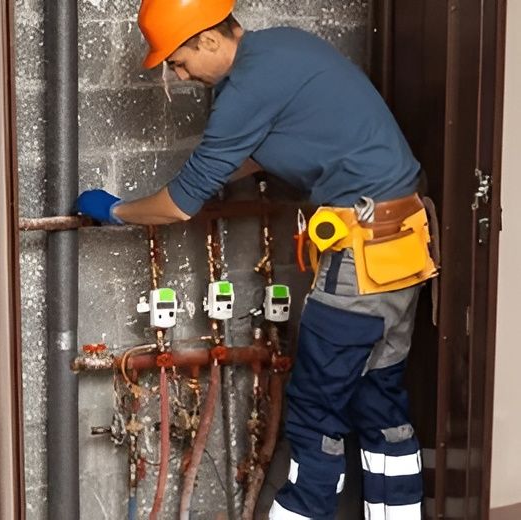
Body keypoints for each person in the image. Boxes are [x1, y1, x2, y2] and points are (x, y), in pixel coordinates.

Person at [75, 0, 437, 518]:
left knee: (314, 412)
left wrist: (117, 211)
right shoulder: (279, 50)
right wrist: (202, 175)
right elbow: (251, 153)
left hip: (361, 258)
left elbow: (179, 206)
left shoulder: (248, 85)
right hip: (401, 244)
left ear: (208, 39)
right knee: (377, 399)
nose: (181, 76)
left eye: (179, 62)